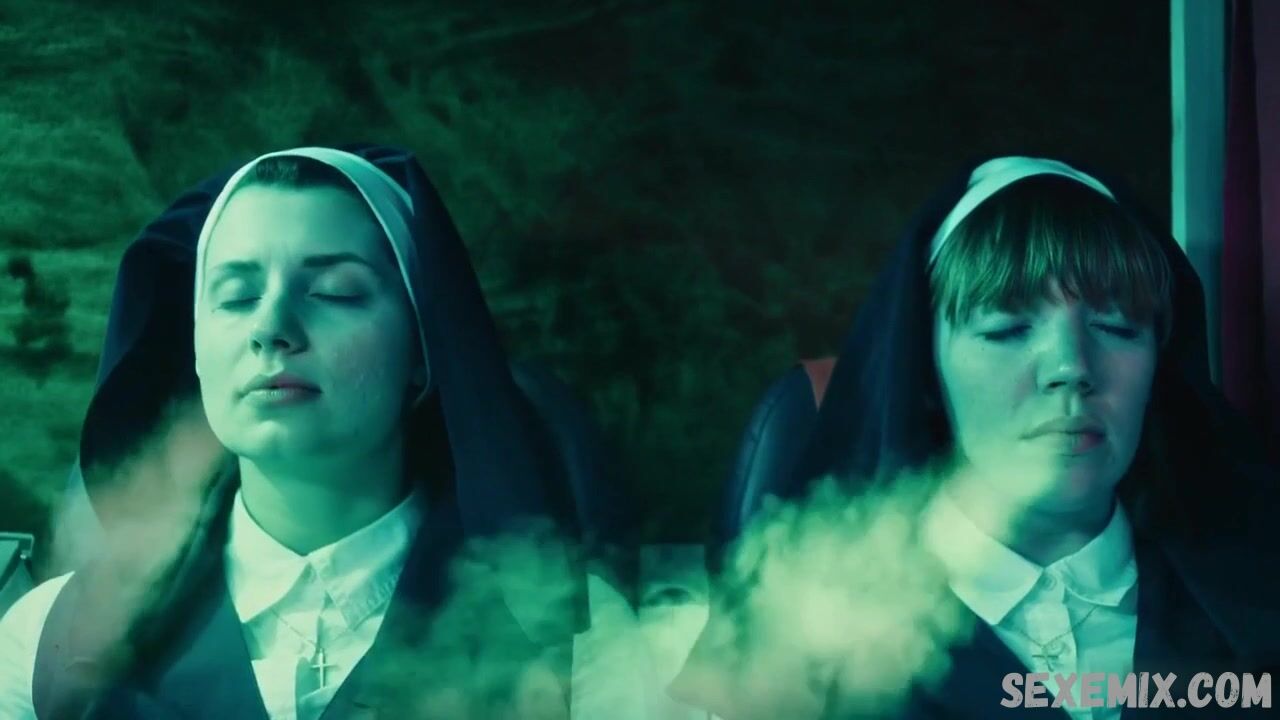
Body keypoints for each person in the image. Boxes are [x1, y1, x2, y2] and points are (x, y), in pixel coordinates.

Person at [0, 145, 606, 720]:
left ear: (423, 351)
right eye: (237, 297)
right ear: (196, 350)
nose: (271, 327)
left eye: (334, 292)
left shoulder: (579, 648)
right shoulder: (48, 644)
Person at [670, 155, 1280, 719]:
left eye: (1116, 327)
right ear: (927, 370)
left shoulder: (1253, 615)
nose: (1071, 366)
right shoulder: (794, 657)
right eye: (1007, 330)